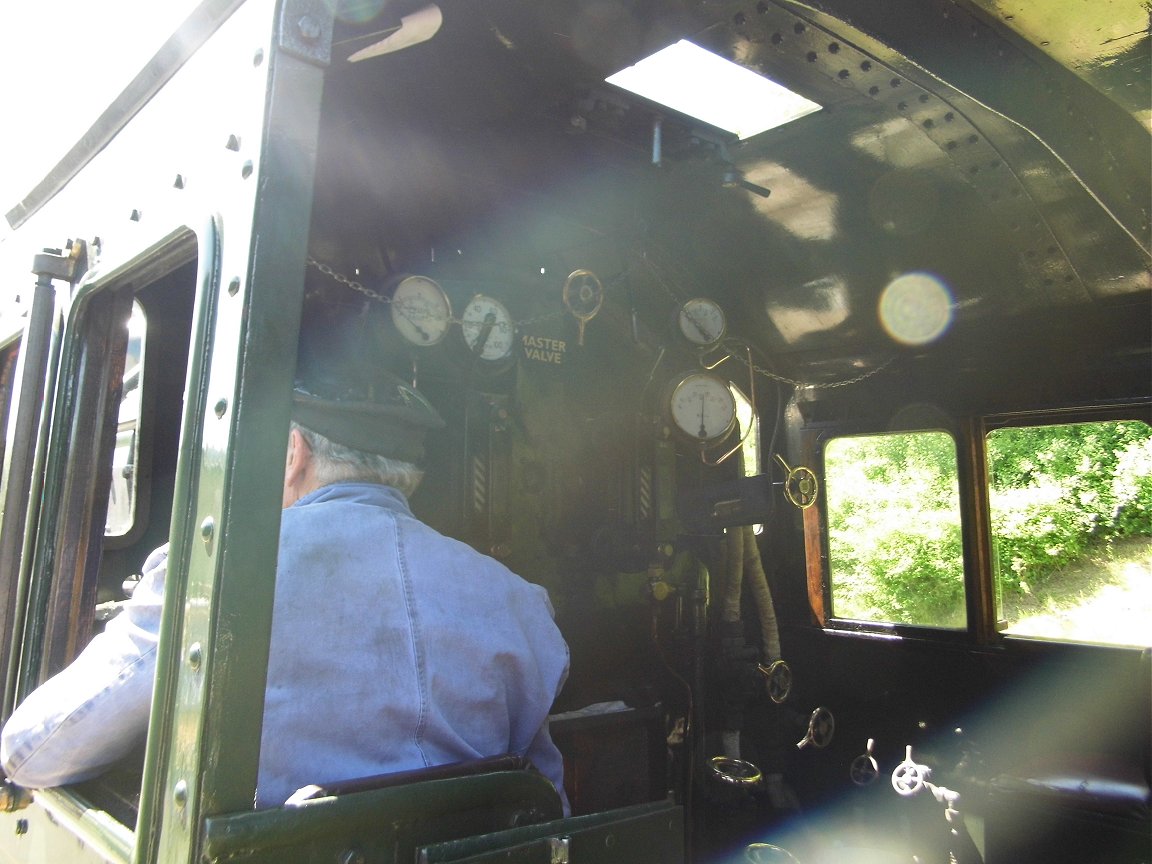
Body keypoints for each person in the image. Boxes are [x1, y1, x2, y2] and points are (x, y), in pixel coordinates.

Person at [0, 371, 570, 811]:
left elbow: (37, 751)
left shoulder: (212, 573)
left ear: (293, 452)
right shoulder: (518, 599)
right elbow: (545, 801)